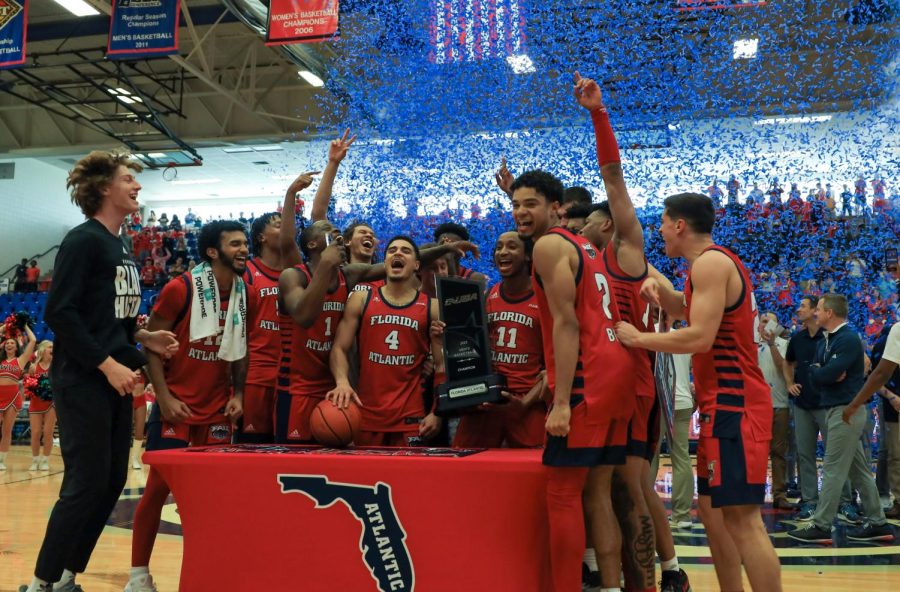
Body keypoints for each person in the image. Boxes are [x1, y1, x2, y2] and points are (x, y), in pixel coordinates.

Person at [20, 151, 178, 592]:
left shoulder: (122, 245)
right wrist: (107, 364)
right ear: (106, 188)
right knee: (84, 484)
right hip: (84, 379)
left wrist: (144, 340)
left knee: (109, 483)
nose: (138, 186)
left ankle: (68, 576)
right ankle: (40, 583)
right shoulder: (82, 240)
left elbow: (112, 321)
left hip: (113, 379)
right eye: (129, 178)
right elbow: (61, 313)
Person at [615, 192, 782, 591]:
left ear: (679, 225)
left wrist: (639, 339)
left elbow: (701, 337)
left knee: (743, 521)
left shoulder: (711, 263)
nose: (659, 231)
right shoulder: (704, 267)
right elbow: (685, 309)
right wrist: (660, 294)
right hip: (719, 405)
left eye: (663, 223)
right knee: (712, 513)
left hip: (735, 404)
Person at [573, 73, 688, 592]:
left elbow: (614, 180)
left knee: (626, 487)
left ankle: (640, 578)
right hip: (622, 381)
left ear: (605, 225)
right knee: (624, 485)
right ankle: (666, 573)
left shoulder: (624, 252)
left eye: (586, 221)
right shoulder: (583, 262)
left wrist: (599, 115)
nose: (580, 227)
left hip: (633, 382)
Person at [510, 167, 635, 592]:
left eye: (530, 204)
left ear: (556, 208)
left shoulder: (547, 246)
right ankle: (612, 588)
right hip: (617, 375)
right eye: (514, 205)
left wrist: (561, 401)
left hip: (587, 379)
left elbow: (566, 325)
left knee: (563, 495)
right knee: (598, 494)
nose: (520, 212)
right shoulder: (585, 244)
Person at [126, 220, 249, 592]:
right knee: (157, 490)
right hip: (176, 405)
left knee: (213, 498)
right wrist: (163, 398)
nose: (244, 249)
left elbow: (240, 351)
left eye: (245, 243)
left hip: (216, 409)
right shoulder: (181, 288)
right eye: (235, 244)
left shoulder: (246, 293)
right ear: (213, 251)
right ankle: (138, 577)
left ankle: (207, 571)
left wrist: (238, 394)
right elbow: (151, 346)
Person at [787, 294, 892, 543]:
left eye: (819, 309)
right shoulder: (829, 339)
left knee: (833, 468)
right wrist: (820, 372)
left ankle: (822, 526)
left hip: (846, 410)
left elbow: (825, 373)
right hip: (837, 409)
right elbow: (815, 371)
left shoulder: (847, 338)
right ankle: (878, 522)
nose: (816, 313)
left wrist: (821, 372)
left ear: (830, 313)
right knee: (859, 472)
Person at [327, 236, 443, 446]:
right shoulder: (362, 298)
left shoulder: (432, 307)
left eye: (405, 251)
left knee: (407, 479)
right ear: (385, 262)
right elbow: (339, 348)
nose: (397, 253)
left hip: (411, 418)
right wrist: (342, 382)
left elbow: (443, 365)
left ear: (417, 265)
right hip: (366, 415)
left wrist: (437, 412)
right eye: (392, 251)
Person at [452, 232, 547, 449]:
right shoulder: (487, 296)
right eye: (498, 247)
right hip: (487, 400)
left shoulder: (546, 298)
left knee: (533, 475)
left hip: (526, 403)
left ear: (528, 256)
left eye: (512, 247)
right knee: (464, 470)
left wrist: (524, 403)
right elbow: (471, 351)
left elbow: (555, 366)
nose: (502, 252)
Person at [237, 210, 290, 444]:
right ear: (261, 238)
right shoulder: (247, 272)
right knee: (252, 449)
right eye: (279, 225)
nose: (286, 228)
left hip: (290, 376)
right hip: (256, 375)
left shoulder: (298, 273)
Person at [845, 322, 900, 517]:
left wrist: (854, 404)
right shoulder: (889, 339)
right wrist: (891, 396)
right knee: (895, 454)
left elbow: (878, 374)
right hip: (895, 405)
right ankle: (897, 499)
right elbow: (878, 374)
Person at [757, 312, 792, 509]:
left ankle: (779, 494)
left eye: (771, 322)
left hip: (780, 404)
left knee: (779, 452)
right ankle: (755, 491)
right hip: (757, 407)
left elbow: (783, 368)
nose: (766, 325)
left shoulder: (785, 345)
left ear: (777, 326)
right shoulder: (751, 345)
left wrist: (771, 345)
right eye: (763, 321)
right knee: (757, 452)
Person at [1, 327, 36, 470]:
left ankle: (1, 460)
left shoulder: (21, 360)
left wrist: (25, 325)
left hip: (13, 396)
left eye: (12, 343)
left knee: (6, 430)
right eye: (7, 343)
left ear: (17, 347)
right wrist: (5, 328)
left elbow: (33, 340)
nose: (9, 345)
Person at [27, 340, 56, 472]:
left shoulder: (57, 366)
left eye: (53, 347)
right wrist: (30, 375)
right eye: (50, 347)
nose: (52, 349)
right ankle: (35, 460)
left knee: (48, 432)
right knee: (36, 433)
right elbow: (28, 385)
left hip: (52, 403)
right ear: (43, 350)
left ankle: (45, 460)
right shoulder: (34, 366)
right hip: (36, 402)